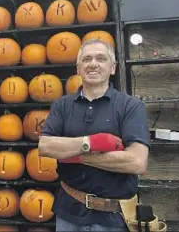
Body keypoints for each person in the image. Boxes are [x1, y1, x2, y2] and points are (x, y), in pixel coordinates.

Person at [38, 39, 151, 232]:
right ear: (78, 68)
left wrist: (73, 155)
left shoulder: (130, 106)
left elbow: (136, 162)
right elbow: (45, 146)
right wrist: (93, 142)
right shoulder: (62, 105)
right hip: (68, 213)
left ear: (112, 67)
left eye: (101, 58)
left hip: (113, 218)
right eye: (86, 59)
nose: (93, 64)